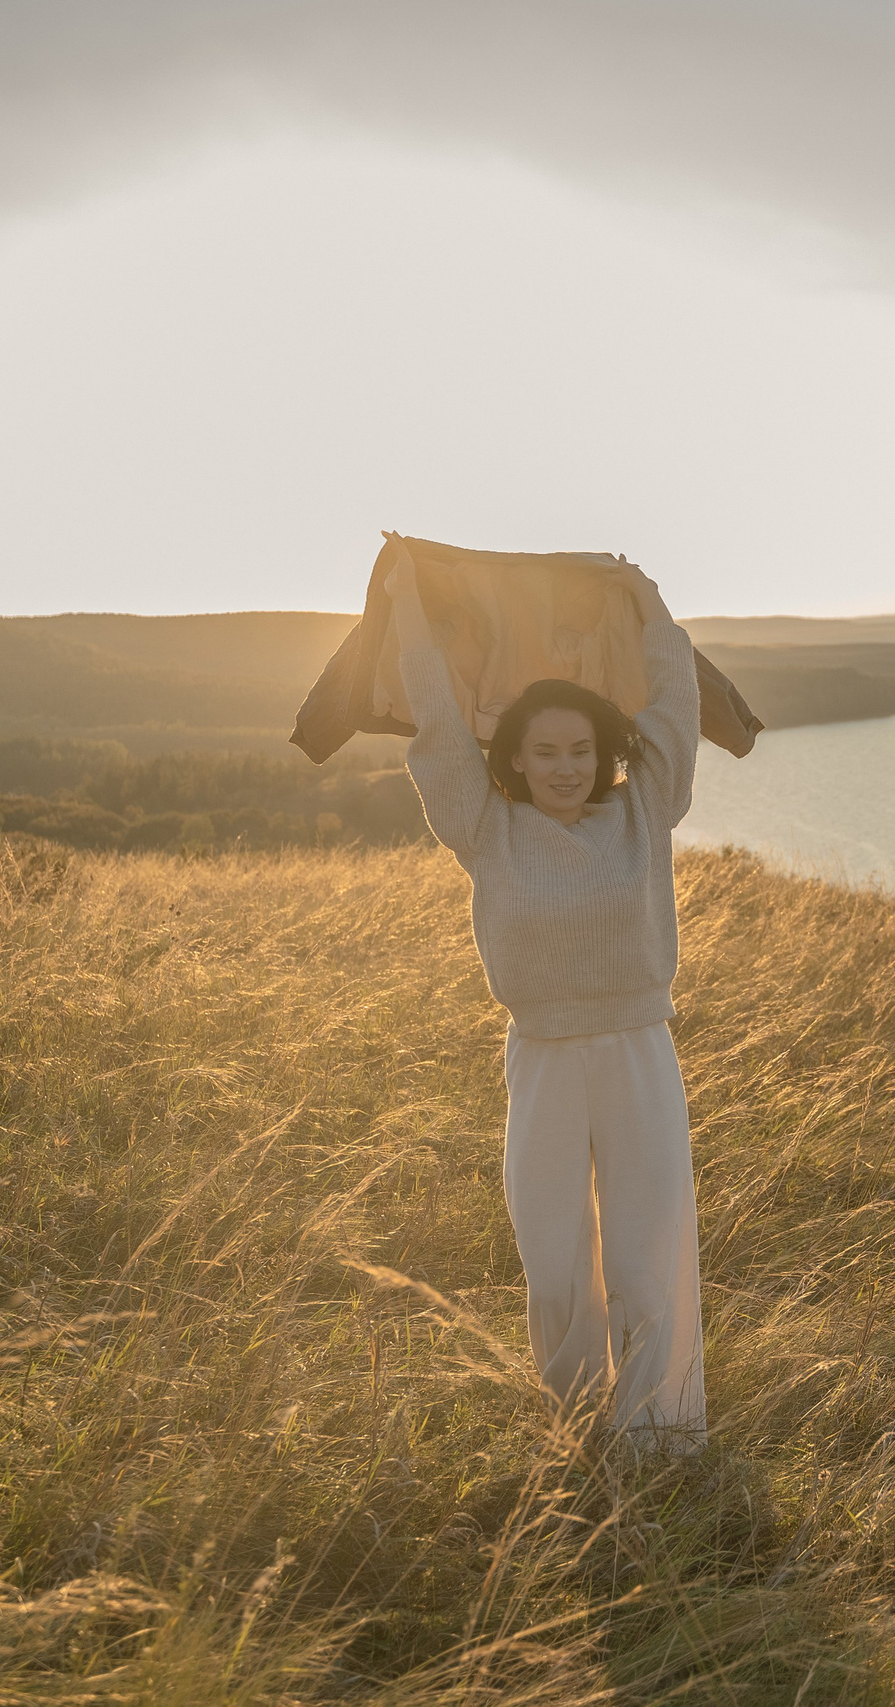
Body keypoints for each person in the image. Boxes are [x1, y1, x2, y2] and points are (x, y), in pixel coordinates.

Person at [388, 557, 706, 1447]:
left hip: (640, 1048)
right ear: (515, 760)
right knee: (555, 1257)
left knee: (647, 1254)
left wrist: (651, 606)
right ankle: (576, 1425)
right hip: (543, 1056)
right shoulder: (486, 826)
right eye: (546, 753)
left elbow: (675, 708)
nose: (566, 769)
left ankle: (657, 1436)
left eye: (580, 751)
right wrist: (407, 608)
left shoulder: (644, 811)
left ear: (603, 756)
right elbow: (436, 721)